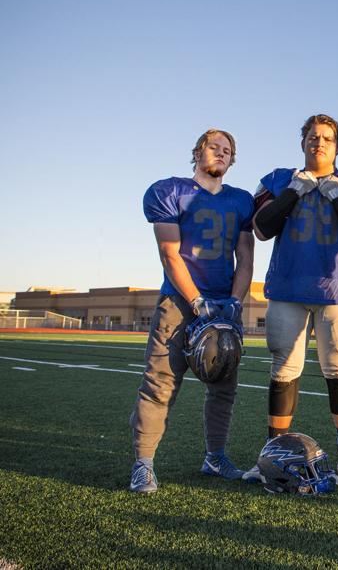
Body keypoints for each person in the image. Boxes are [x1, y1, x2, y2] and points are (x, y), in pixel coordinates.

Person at [245, 114, 338, 485]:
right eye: (312, 136)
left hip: (337, 290)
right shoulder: (279, 179)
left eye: (327, 138)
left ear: (337, 146)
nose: (319, 143)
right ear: (302, 141)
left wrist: (336, 197)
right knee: (283, 370)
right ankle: (273, 452)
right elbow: (262, 228)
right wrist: (294, 192)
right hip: (288, 288)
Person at [130, 129, 255, 493]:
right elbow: (170, 254)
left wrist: (234, 302)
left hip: (224, 303)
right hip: (179, 303)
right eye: (214, 147)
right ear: (197, 152)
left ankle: (215, 457)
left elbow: (245, 258)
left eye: (227, 150)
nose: (221, 153)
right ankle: (143, 463)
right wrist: (197, 301)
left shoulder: (241, 201)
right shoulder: (171, 191)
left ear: (232, 160)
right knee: (160, 383)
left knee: (223, 386)